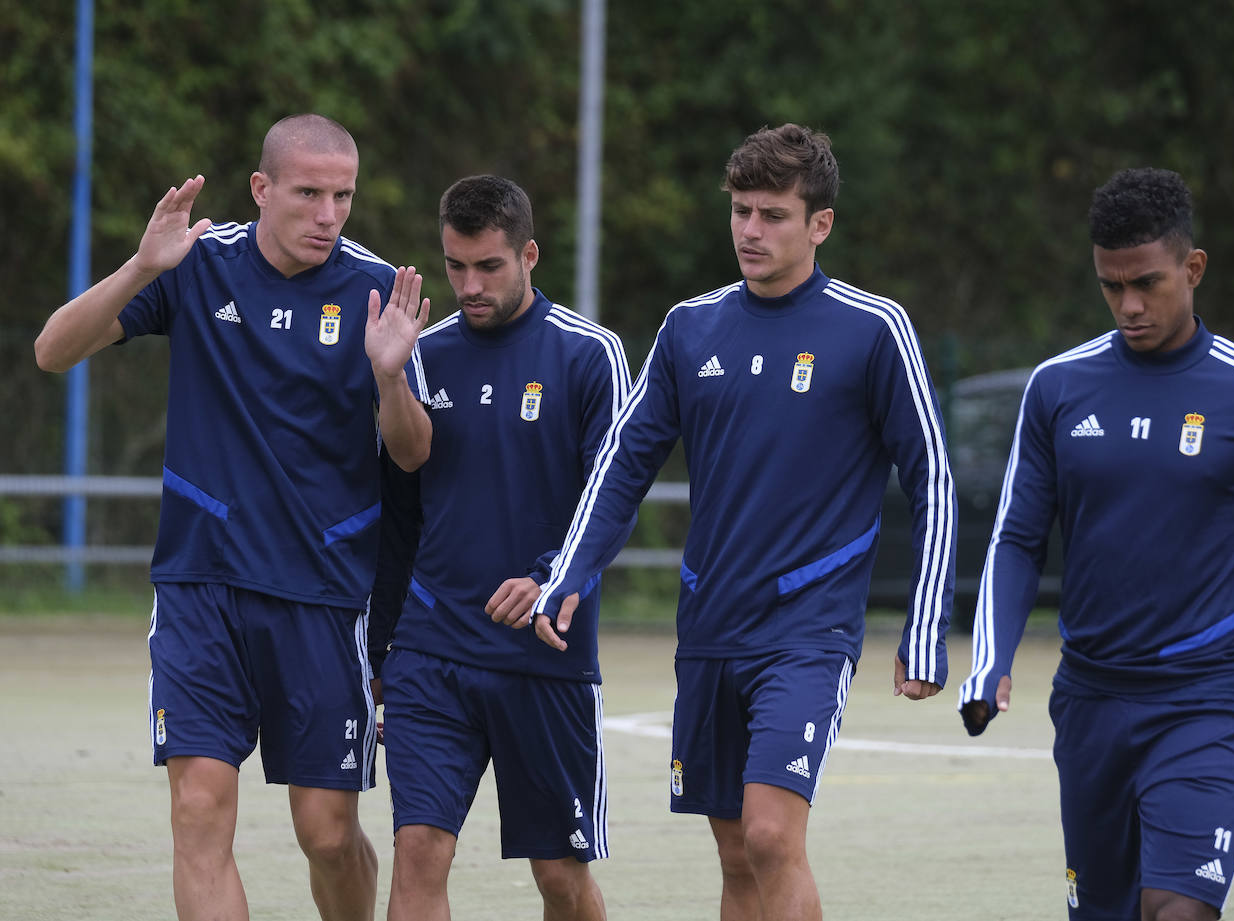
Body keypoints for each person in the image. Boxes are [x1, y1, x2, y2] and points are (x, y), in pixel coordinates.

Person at [528, 123, 957, 921]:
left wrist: (925, 623)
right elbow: (623, 463)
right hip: (711, 622)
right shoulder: (691, 327)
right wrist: (571, 572)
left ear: (819, 223)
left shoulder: (872, 329)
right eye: (740, 211)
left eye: (772, 215)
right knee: (734, 856)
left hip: (808, 628)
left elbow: (931, 476)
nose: (750, 231)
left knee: (769, 834)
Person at [34, 113, 432, 921]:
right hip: (200, 585)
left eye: (343, 196)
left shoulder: (374, 289)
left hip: (322, 594)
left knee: (326, 832)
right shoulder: (194, 266)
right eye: (309, 193)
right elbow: (52, 349)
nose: (329, 214)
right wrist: (141, 265)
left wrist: (392, 378)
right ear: (262, 189)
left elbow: (414, 453)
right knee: (199, 811)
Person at [957, 167, 1234, 921]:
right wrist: (992, 661)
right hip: (1090, 702)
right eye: (1111, 286)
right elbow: (1016, 536)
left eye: (1147, 282)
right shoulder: (1056, 388)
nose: (1129, 305)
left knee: (1178, 908)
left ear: (1193, 268)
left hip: (1204, 700)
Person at [367, 175, 631, 921]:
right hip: (431, 651)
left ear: (529, 255)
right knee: (419, 848)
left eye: (488, 266)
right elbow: (399, 513)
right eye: (455, 266)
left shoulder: (591, 355)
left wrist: (551, 579)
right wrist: (381, 644)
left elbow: (612, 498)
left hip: (544, 657)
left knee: (559, 876)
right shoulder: (420, 354)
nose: (469, 285)